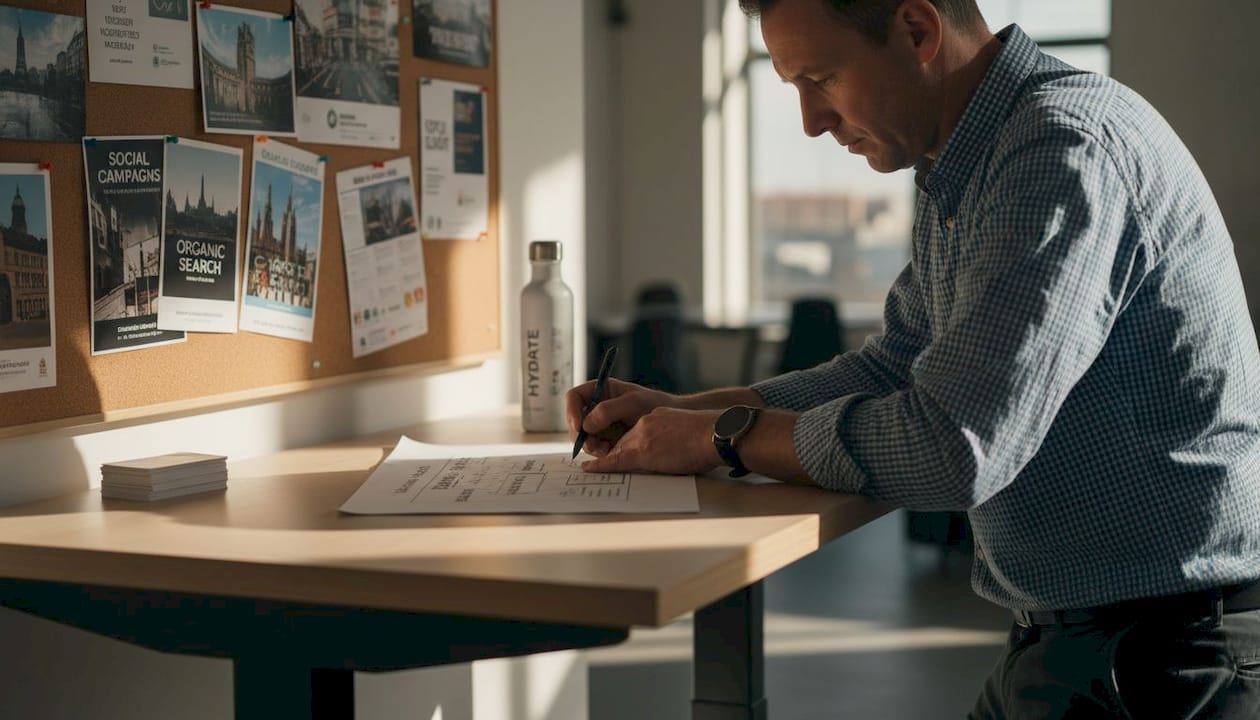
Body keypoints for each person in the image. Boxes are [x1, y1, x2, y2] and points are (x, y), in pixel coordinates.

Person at [565, 0, 1260, 717]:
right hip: (1092, 639)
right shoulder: (967, 159)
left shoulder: (1056, 153)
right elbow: (895, 364)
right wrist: (687, 412)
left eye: (823, 78)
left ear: (919, 30)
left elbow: (951, 444)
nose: (809, 120)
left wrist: (725, 438)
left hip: (1166, 662)